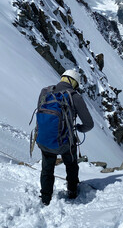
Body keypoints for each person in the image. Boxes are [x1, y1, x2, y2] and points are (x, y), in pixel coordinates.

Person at [38, 69, 94, 206]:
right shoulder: (75, 96)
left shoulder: (45, 92)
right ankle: (72, 191)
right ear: (74, 82)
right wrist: (79, 128)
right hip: (65, 143)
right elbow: (89, 124)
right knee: (71, 165)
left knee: (47, 168)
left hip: (44, 139)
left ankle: (45, 198)